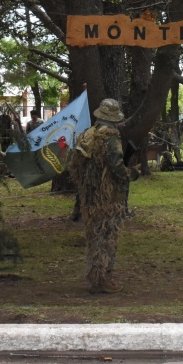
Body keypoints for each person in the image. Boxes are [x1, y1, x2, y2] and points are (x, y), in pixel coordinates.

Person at [69, 98, 136, 294]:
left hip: (90, 196)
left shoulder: (87, 135)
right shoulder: (110, 137)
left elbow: (75, 166)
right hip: (108, 196)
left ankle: (95, 275)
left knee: (94, 236)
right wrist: (131, 174)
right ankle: (101, 279)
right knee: (106, 236)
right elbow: (116, 166)